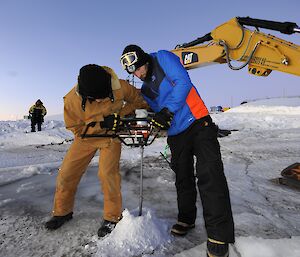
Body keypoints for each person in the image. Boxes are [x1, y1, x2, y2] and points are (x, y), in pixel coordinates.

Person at [120, 45, 235, 257]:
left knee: (210, 175)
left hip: (199, 122)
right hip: (176, 134)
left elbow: (183, 82)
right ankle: (186, 219)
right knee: (183, 178)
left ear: (144, 60)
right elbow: (154, 110)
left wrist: (166, 111)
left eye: (138, 69)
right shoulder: (145, 89)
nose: (137, 74)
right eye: (133, 72)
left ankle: (219, 236)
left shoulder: (163, 58)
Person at [45, 64, 147, 237]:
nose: (100, 101)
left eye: (104, 97)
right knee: (67, 174)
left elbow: (140, 100)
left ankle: (112, 217)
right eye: (96, 99)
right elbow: (75, 128)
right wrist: (101, 123)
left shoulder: (119, 86)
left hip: (111, 137)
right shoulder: (71, 100)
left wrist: (119, 117)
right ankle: (62, 212)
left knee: (108, 175)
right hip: (85, 138)